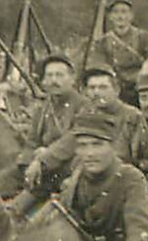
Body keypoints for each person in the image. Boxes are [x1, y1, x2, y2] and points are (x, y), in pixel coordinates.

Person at [56, 111, 148, 241]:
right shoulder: (76, 178)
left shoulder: (129, 178)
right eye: (82, 146)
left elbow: (142, 229)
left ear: (113, 146)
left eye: (97, 145)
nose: (90, 154)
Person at [11, 54, 90, 200]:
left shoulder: (83, 106)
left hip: (69, 164)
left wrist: (42, 160)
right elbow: (32, 141)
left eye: (59, 75)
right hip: (42, 165)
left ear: (72, 79)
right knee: (2, 181)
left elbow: (73, 138)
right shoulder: (42, 107)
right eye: (50, 76)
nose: (54, 81)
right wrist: (27, 165)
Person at [87, 0, 148, 105]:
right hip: (117, 86)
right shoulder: (103, 42)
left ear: (131, 16)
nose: (120, 16)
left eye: (124, 12)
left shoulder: (143, 37)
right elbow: (98, 63)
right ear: (110, 17)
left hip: (141, 85)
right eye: (116, 12)